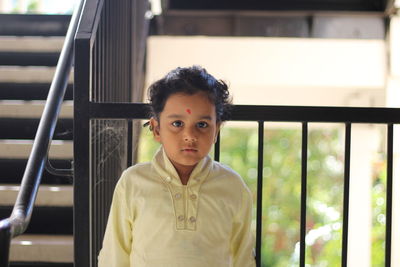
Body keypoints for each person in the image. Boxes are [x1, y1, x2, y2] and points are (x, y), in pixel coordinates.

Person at [98, 66, 256, 267]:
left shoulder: (232, 186)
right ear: (156, 129)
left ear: (216, 130)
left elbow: (244, 259)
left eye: (202, 125)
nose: (190, 135)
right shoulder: (132, 182)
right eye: (177, 124)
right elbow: (114, 255)